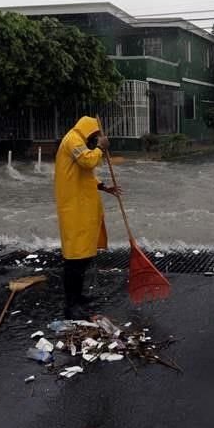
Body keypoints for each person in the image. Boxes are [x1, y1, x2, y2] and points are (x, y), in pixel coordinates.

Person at [54, 116, 121, 318]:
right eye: (94, 139)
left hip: (82, 208)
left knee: (84, 256)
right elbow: (87, 161)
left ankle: (78, 297)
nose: (93, 143)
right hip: (74, 209)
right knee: (75, 259)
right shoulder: (73, 140)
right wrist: (100, 148)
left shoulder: (78, 140)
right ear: (90, 134)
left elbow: (85, 174)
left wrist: (102, 187)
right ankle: (70, 305)